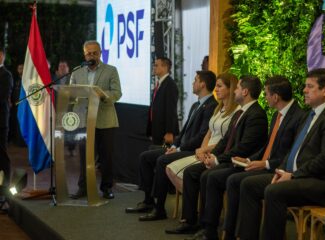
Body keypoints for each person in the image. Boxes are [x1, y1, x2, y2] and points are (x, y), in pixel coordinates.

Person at [236, 68, 325, 240]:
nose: (304, 90)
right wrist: (281, 171)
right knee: (248, 184)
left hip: (322, 183)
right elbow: (293, 151)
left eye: (310, 86)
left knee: (274, 191)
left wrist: (293, 175)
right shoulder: (309, 115)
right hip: (298, 176)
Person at [170, 76, 269, 239]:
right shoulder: (241, 112)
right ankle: (199, 224)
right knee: (194, 172)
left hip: (241, 162)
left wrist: (217, 160)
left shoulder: (256, 114)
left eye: (236, 88)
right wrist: (213, 156)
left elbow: (244, 147)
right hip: (229, 158)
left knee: (210, 176)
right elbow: (225, 141)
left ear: (245, 91)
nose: (234, 91)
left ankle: (210, 230)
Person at [125, 70, 217, 221]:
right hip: (182, 147)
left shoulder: (212, 106)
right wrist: (174, 145)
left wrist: (179, 148)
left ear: (203, 84)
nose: (193, 83)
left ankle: (159, 209)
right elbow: (185, 130)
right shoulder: (196, 105)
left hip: (193, 151)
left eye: (195, 80)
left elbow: (201, 136)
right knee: (147, 154)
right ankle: (148, 201)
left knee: (161, 160)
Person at [221, 76, 305, 239]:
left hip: (280, 169)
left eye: (266, 94)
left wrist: (265, 164)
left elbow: (291, 154)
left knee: (242, 181)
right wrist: (251, 160)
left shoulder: (299, 117)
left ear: (275, 97)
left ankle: (244, 235)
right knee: (234, 178)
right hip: (267, 165)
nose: (264, 98)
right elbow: (268, 146)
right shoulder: (276, 115)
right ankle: (232, 233)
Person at [165, 73, 239, 193]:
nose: (215, 89)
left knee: (182, 171)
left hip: (217, 153)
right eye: (216, 86)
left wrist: (205, 150)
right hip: (205, 151)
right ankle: (194, 198)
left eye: (219, 86)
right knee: (169, 169)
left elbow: (227, 140)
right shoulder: (218, 108)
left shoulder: (237, 111)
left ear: (230, 89)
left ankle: (194, 201)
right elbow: (208, 133)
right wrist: (202, 150)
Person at [69, 40, 122, 199]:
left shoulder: (111, 70)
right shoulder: (76, 73)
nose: (91, 56)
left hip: (105, 120)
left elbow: (117, 93)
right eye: (88, 53)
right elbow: (71, 95)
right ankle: (83, 188)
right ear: (84, 55)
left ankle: (106, 188)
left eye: (95, 53)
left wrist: (103, 95)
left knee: (106, 157)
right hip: (84, 121)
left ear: (100, 54)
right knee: (85, 156)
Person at [146, 57, 179, 146]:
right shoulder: (160, 84)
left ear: (165, 67)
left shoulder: (170, 85)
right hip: (156, 130)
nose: (154, 67)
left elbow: (171, 110)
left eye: (156, 65)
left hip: (164, 133)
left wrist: (169, 132)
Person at [0, 47, 13, 189]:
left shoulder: (6, 75)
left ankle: (5, 187)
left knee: (2, 156)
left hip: (1, 122)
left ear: (3, 56)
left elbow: (2, 97)